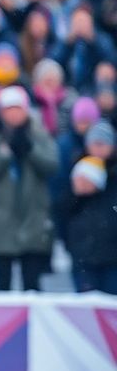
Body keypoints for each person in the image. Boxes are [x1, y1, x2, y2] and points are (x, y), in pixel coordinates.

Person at [0, 87, 59, 291]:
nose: (13, 114)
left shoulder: (41, 139)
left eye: (17, 109)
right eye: (8, 109)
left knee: (32, 284)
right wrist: (5, 153)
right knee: (2, 285)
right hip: (1, 221)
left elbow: (52, 166)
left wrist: (29, 149)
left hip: (32, 219)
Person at [62, 121, 117, 294]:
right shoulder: (77, 167)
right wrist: (77, 194)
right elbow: (62, 210)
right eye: (95, 143)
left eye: (103, 143)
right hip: (83, 254)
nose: (99, 148)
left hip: (112, 257)